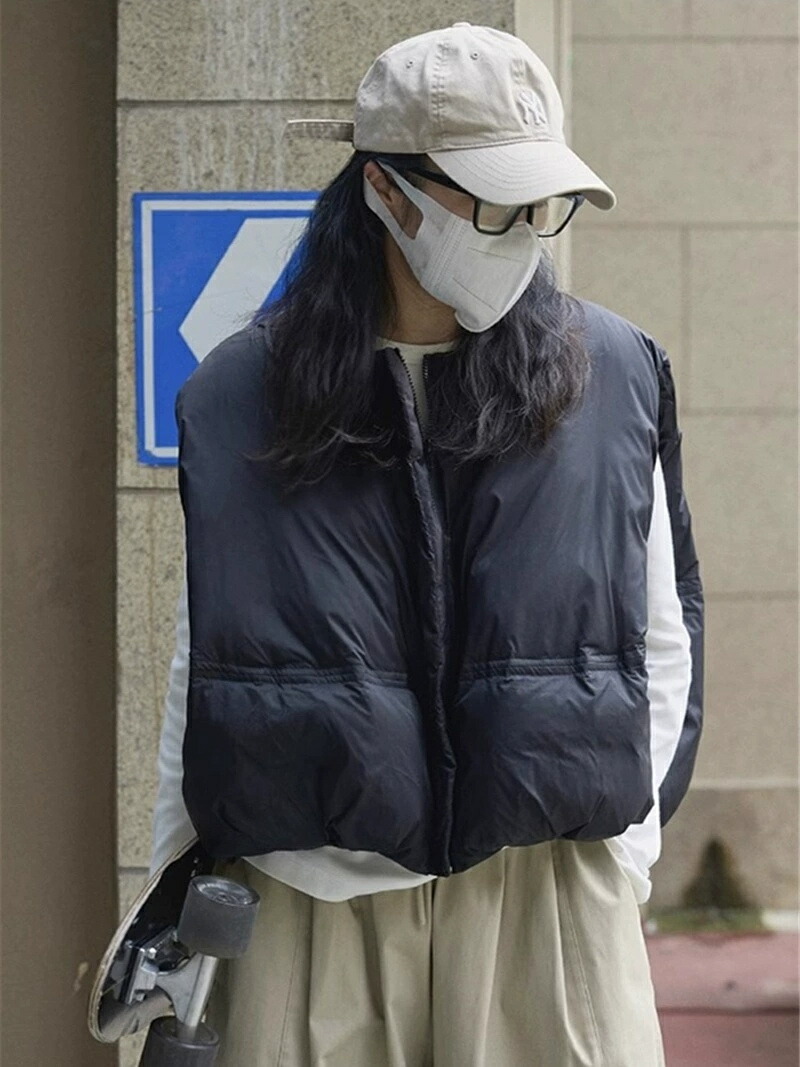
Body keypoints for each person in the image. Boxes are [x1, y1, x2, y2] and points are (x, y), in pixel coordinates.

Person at [148, 22, 704, 1066]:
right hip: (313, 905)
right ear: (385, 191)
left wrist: (618, 863)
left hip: (544, 901)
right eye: (493, 202)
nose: (522, 231)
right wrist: (172, 891)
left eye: (539, 204)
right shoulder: (243, 394)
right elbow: (206, 658)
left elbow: (659, 631)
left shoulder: (613, 373)